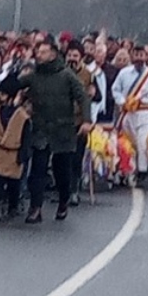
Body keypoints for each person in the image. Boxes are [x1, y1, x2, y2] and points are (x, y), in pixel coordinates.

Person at [21, 37, 92, 223]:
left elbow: (83, 97)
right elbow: (13, 84)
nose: (39, 55)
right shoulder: (35, 75)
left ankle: (63, 201)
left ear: (52, 54)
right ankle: (35, 208)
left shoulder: (66, 75)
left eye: (43, 52)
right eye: (38, 52)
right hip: (41, 128)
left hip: (63, 130)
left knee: (62, 171)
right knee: (38, 170)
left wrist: (86, 120)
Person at [112, 44, 148, 186]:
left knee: (142, 142)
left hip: (146, 113)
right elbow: (115, 89)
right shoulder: (124, 73)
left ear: (146, 57)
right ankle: (127, 170)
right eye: (136, 55)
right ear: (132, 56)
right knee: (128, 143)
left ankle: (142, 171)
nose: (139, 58)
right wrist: (122, 102)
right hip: (128, 113)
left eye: (142, 55)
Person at [0, 76, 31, 223]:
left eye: (4, 93)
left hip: (13, 152)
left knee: (13, 184)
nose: (1, 96)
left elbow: (26, 138)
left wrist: (23, 156)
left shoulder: (23, 116)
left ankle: (13, 205)